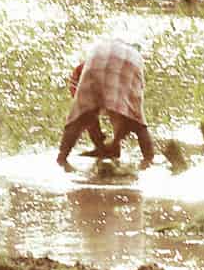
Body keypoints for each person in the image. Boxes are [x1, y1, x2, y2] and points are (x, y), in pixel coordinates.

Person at [58, 35, 155, 170]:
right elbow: (125, 113)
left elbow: (85, 114)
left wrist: (109, 144)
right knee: (136, 119)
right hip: (130, 61)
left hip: (97, 56)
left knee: (82, 114)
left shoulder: (80, 71)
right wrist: (111, 143)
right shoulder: (79, 71)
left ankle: (62, 158)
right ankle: (148, 159)